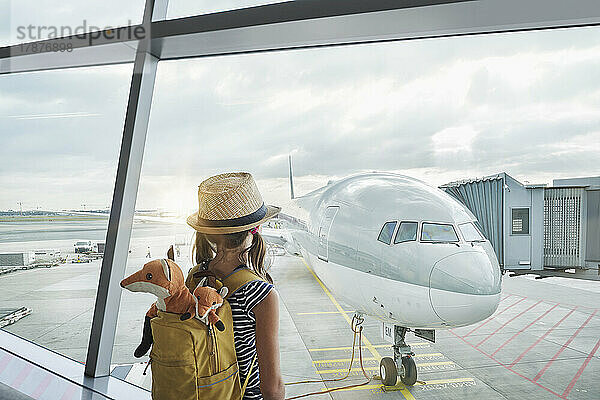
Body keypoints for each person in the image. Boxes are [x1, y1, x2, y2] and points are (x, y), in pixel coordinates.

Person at [186, 172, 285, 400]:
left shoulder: (194, 278)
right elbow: (272, 388)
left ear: (209, 236)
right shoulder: (261, 294)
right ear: (254, 230)